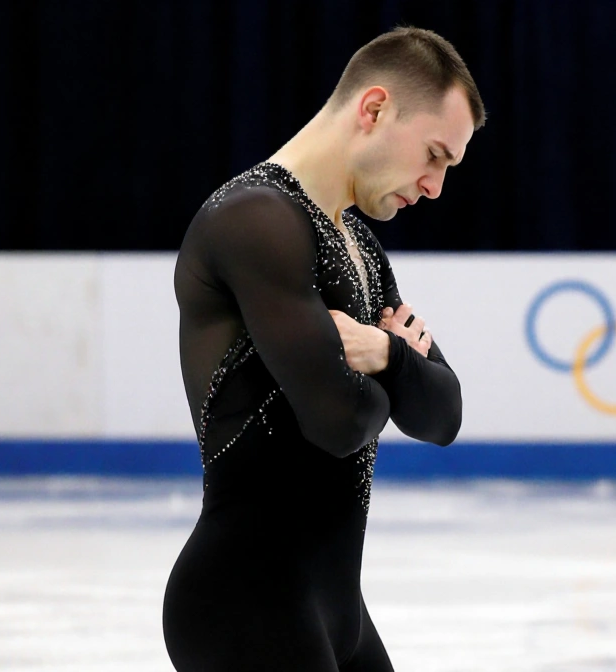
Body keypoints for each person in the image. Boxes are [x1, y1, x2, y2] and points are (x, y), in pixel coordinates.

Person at [162, 26, 484, 671]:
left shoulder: (359, 243)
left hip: (338, 611)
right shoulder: (254, 219)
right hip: (244, 601)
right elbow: (338, 422)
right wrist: (398, 369)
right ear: (374, 109)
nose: (434, 186)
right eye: (434, 155)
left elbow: (443, 415)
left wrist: (386, 358)